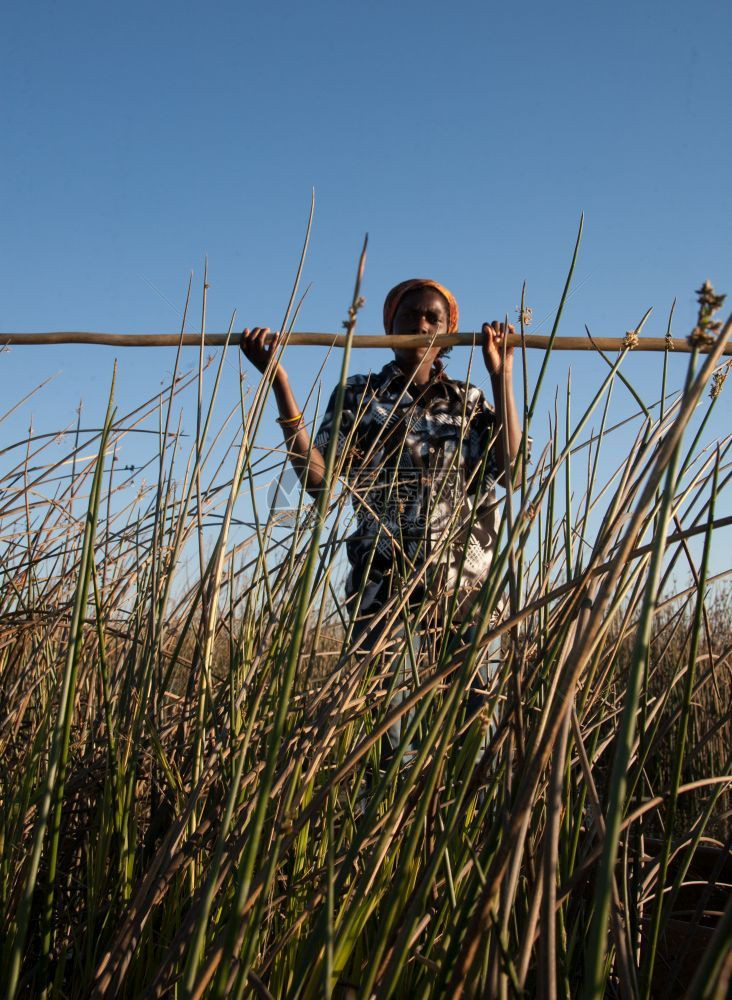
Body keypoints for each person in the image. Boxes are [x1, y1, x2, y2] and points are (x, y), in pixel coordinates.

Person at [240, 278, 525, 753]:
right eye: (409, 316)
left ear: (449, 328)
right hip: (382, 588)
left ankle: (469, 822)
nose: (420, 324)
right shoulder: (358, 396)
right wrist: (280, 386)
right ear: (388, 326)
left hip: (467, 591)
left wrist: (503, 376)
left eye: (433, 317)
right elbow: (318, 485)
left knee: (478, 735)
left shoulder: (469, 401)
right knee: (391, 739)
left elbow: (512, 473)